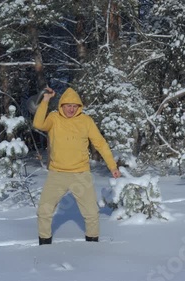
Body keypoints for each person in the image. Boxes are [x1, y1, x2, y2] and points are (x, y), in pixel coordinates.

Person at [32, 86, 121, 245]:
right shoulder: (54, 118)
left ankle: (92, 246)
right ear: (62, 105)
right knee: (44, 211)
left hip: (81, 174)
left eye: (74, 106)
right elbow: (38, 124)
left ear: (79, 106)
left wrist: (112, 166)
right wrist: (45, 100)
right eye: (68, 106)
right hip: (57, 174)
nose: (71, 109)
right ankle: (44, 247)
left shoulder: (86, 121)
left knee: (92, 213)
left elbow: (100, 143)